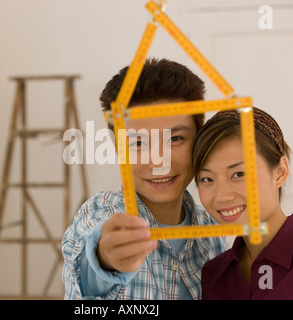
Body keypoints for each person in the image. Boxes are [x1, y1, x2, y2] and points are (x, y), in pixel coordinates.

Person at [62, 58, 228, 300]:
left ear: (198, 140)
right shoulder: (101, 212)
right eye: (138, 143)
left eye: (175, 139)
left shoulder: (212, 232)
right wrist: (107, 258)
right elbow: (89, 271)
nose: (159, 161)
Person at [192, 107, 293, 299]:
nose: (222, 196)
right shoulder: (213, 275)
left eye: (238, 174)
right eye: (206, 179)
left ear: (280, 172)